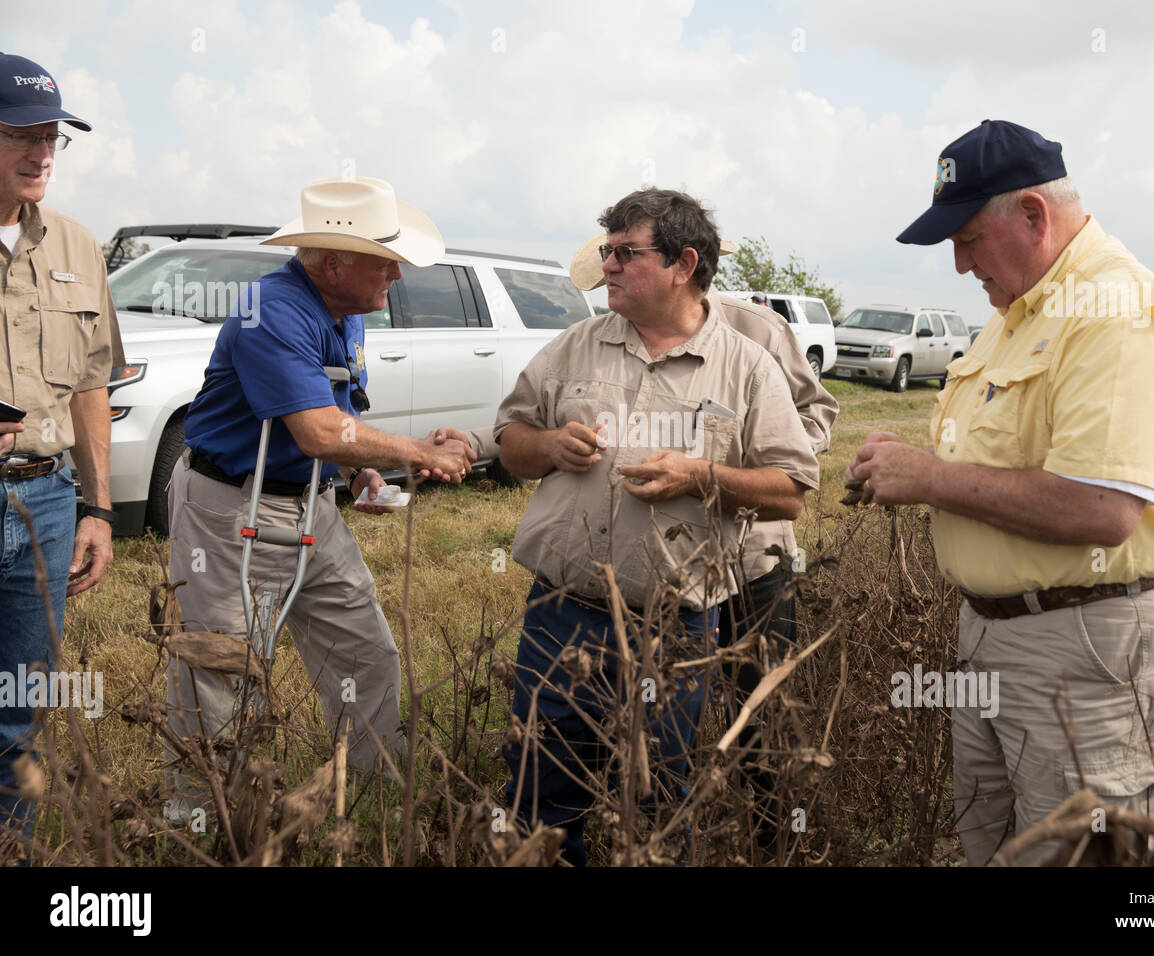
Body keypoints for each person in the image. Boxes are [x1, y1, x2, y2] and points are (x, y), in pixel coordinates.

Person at [847, 119, 1154, 865]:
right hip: (1000, 636)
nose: (958, 265)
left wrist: (929, 478)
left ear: (1033, 216)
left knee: (1079, 857)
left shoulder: (1116, 315)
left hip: (1093, 648)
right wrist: (915, 460)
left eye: (967, 239)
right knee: (1001, 850)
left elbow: (1102, 508)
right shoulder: (1016, 314)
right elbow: (1003, 455)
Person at [496, 188, 820, 865]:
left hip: (675, 627)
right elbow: (510, 440)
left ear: (683, 264)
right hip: (562, 613)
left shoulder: (747, 364)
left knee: (658, 798)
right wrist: (550, 446)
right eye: (607, 252)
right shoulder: (575, 347)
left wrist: (704, 476)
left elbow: (790, 491)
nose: (608, 266)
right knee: (541, 789)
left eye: (626, 253)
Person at [165, 177, 475, 798]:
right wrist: (417, 451)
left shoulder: (346, 309)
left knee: (366, 650)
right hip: (231, 507)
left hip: (310, 504)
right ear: (334, 262)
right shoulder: (271, 307)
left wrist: (354, 469)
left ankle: (379, 795)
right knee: (224, 669)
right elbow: (316, 430)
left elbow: (327, 417)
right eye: (386, 261)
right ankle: (207, 820)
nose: (397, 276)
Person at [570, 232, 838, 850]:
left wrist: (731, 454)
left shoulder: (756, 332)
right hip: (669, 567)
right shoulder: (606, 340)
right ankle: (649, 819)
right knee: (661, 710)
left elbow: (815, 417)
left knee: (759, 703)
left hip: (751, 554)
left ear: (680, 269)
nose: (610, 282)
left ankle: (772, 835)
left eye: (625, 262)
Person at [0, 53, 123, 838]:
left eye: (52, 135)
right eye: (21, 134)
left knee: (18, 716)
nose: (42, 152)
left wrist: (98, 509)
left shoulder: (78, 245)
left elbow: (91, 386)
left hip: (45, 504)